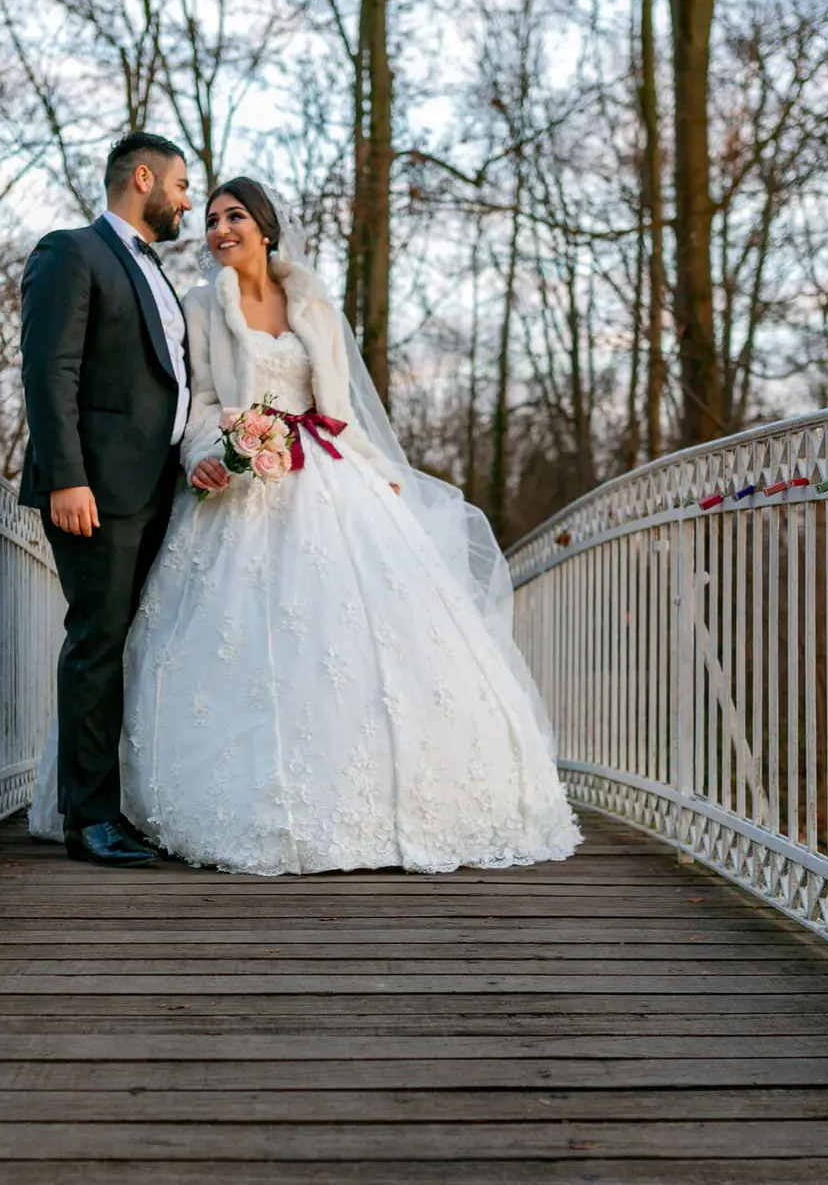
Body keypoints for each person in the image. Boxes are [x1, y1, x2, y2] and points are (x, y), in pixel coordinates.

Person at [36, 174, 580, 875]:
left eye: (234, 216)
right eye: (210, 219)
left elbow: (340, 405)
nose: (220, 229)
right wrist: (212, 454)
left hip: (328, 475)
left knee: (366, 640)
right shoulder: (201, 306)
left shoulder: (313, 303)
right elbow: (199, 402)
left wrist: (378, 474)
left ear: (265, 226)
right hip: (240, 485)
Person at [17, 132, 192, 867]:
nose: (187, 200)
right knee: (96, 644)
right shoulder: (71, 252)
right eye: (181, 185)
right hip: (96, 489)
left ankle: (120, 805)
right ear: (142, 178)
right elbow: (49, 369)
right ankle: (87, 819)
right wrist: (66, 476)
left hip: (159, 490)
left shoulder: (154, 271)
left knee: (131, 645)